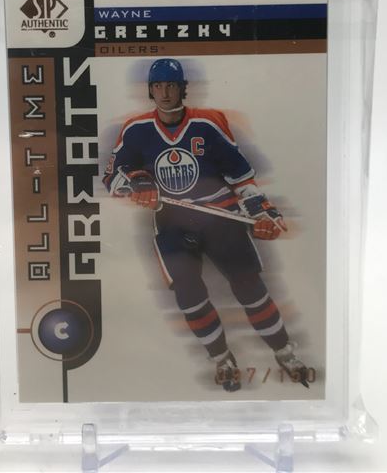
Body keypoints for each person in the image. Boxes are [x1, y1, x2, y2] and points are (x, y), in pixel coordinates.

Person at [103, 58, 308, 391]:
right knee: (188, 294)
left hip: (220, 216)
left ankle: (284, 351)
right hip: (172, 222)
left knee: (250, 287)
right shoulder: (136, 130)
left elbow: (241, 178)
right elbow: (112, 177)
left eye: (171, 85)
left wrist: (262, 211)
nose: (165, 92)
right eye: (158, 86)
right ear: (150, 90)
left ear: (183, 88)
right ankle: (222, 358)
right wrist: (138, 182)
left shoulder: (208, 124)